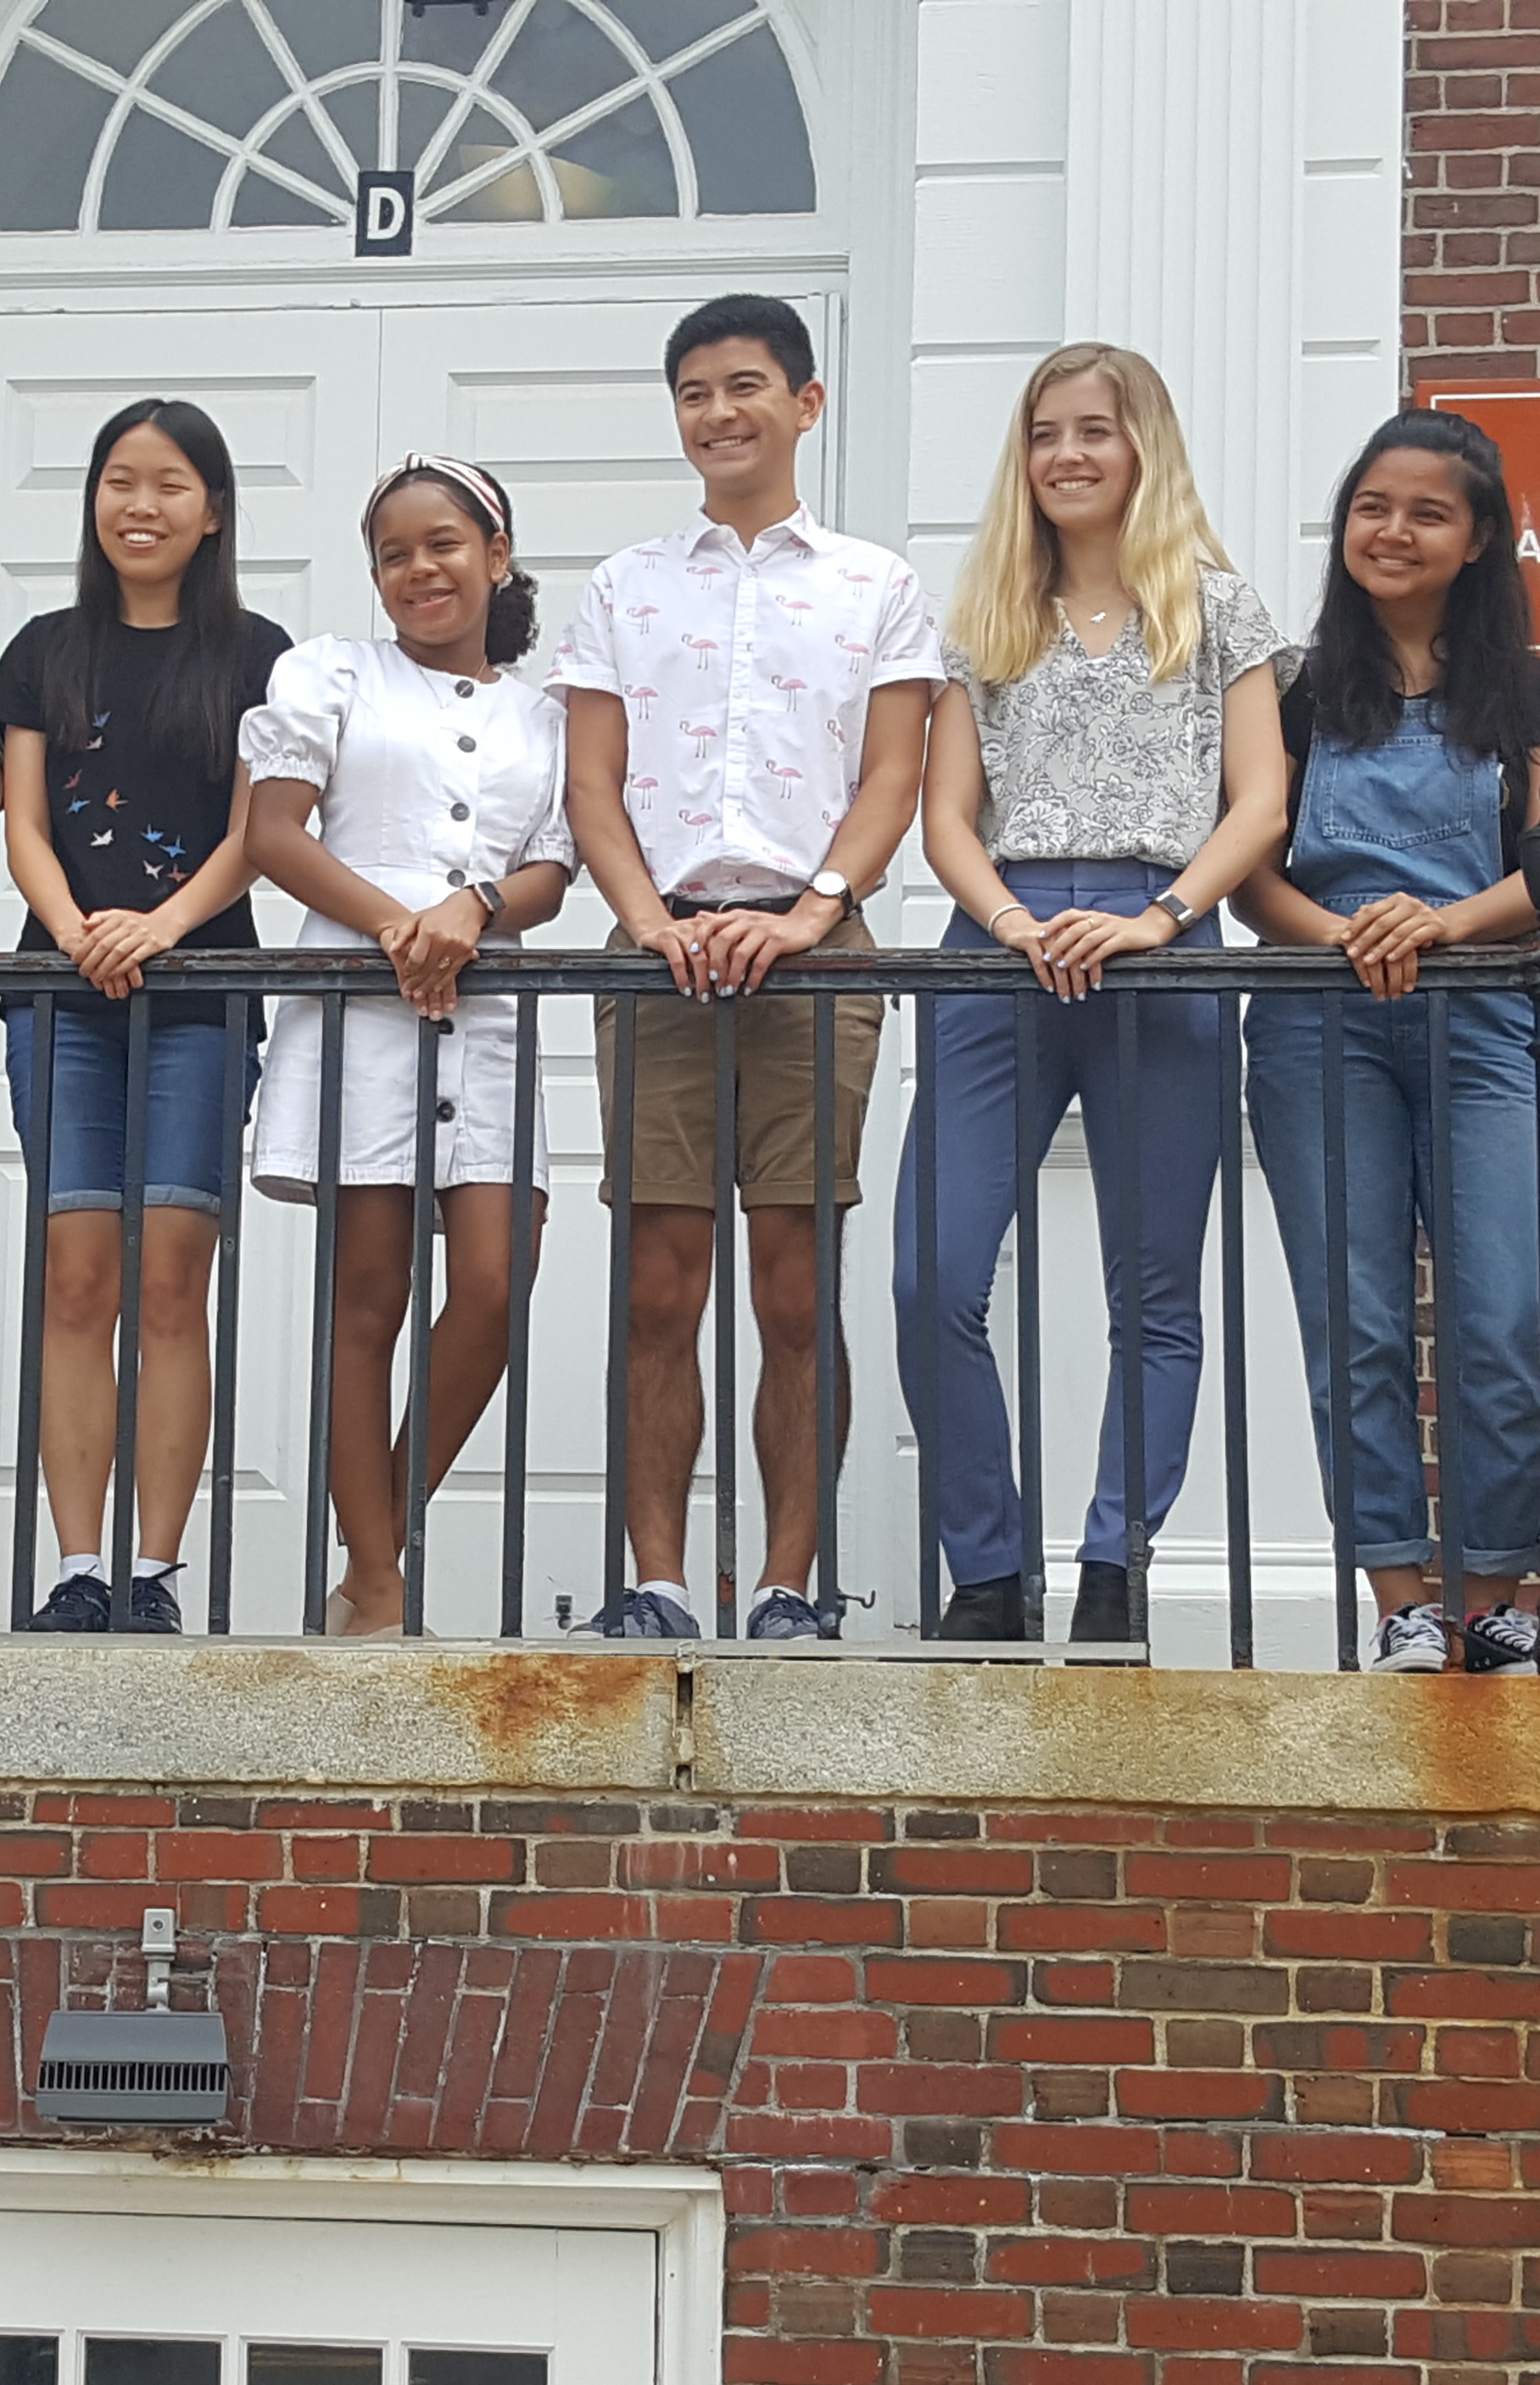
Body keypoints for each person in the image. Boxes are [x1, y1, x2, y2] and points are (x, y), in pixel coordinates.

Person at [552, 294, 946, 1642]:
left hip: (815, 957)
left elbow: (892, 778)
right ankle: (659, 1583)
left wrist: (811, 913)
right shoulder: (624, 586)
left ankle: (787, 1586)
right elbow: (591, 784)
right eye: (694, 393)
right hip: (657, 952)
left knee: (794, 1281)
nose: (719, 413)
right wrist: (649, 921)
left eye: (745, 386)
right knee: (660, 1282)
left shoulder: (875, 585)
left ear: (805, 403)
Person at [892, 342, 1289, 1651]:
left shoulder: (1219, 609)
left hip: (1162, 949)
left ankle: (1117, 1562)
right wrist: (1013, 924)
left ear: (1142, 448)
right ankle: (989, 1571)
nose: (1067, 454)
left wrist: (1161, 920)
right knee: (932, 1275)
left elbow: (1260, 802)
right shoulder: (988, 617)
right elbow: (947, 817)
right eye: (1045, 432)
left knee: (1156, 1290)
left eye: (1094, 431)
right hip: (998, 947)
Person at [1232, 409, 1540, 1675]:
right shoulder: (1294, 692)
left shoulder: (1524, 692)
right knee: (1357, 1323)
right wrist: (1348, 936)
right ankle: (1401, 1602)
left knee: (1503, 1321)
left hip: (1484, 1021)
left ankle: (1494, 1599)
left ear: (1477, 540)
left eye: (1428, 512)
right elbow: (1248, 872)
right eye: (1373, 507)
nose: (1394, 531)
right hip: (1320, 1026)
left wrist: (1434, 925)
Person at [243, 455, 578, 1634]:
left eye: (443, 544)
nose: (419, 569)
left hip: (485, 1011)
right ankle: (380, 1586)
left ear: (497, 554)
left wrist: (472, 910)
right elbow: (274, 833)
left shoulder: (549, 717)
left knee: (495, 1279)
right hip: (359, 1002)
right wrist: (399, 927)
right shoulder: (331, 673)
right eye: (394, 553)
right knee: (368, 1296)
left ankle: (371, 1544)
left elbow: (553, 868)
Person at [0, 398, 287, 1635]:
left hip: (200, 994)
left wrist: (162, 929)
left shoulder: (260, 656)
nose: (141, 505)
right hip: (61, 993)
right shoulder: (44, 649)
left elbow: (258, 832)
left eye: (169, 484)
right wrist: (77, 930)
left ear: (213, 511)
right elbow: (22, 825)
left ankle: (152, 1572)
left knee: (171, 1281)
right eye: (120, 479)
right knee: (75, 1278)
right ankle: (76, 1566)